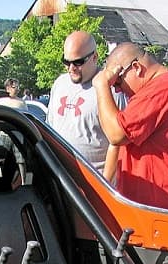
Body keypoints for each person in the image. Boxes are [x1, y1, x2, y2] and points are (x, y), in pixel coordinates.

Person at [92, 42, 168, 214]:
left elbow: (116, 134)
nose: (117, 90)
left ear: (136, 68)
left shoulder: (165, 87)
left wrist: (101, 85)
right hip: (154, 213)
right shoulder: (159, 88)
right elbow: (117, 143)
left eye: (117, 82)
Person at [47, 31, 123, 180]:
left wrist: (104, 186)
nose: (71, 68)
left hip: (93, 183)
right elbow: (50, 129)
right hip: (61, 179)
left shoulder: (111, 89)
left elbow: (119, 143)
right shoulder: (59, 84)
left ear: (95, 57)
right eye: (66, 62)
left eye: (78, 62)